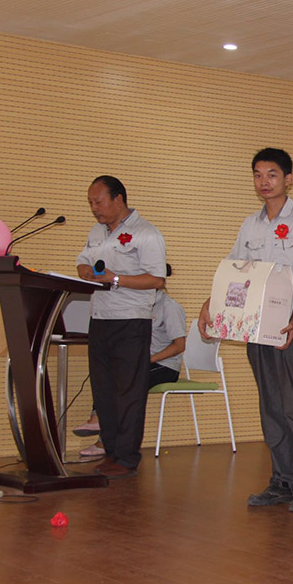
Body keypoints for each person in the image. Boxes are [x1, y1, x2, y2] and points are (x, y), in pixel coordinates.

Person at [197, 147, 293, 511]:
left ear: (288, 179)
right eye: (257, 175)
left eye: (272, 174)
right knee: (271, 407)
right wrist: (210, 306)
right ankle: (282, 481)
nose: (264, 182)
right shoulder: (250, 225)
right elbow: (235, 271)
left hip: (292, 328)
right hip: (256, 330)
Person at [77, 175, 167, 478]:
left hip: (130, 321)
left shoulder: (146, 233)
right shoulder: (96, 231)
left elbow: (156, 279)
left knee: (128, 393)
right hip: (100, 319)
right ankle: (111, 452)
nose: (94, 208)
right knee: (103, 391)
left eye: (98, 201)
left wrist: (114, 279)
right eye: (90, 202)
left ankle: (127, 458)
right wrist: (84, 270)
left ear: (118, 199)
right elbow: (82, 260)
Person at [78, 272, 187, 457]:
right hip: (141, 361)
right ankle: (100, 424)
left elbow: (179, 346)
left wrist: (149, 359)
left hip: (164, 366)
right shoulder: (136, 306)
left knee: (125, 384)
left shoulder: (169, 307)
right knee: (108, 377)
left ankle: (103, 434)